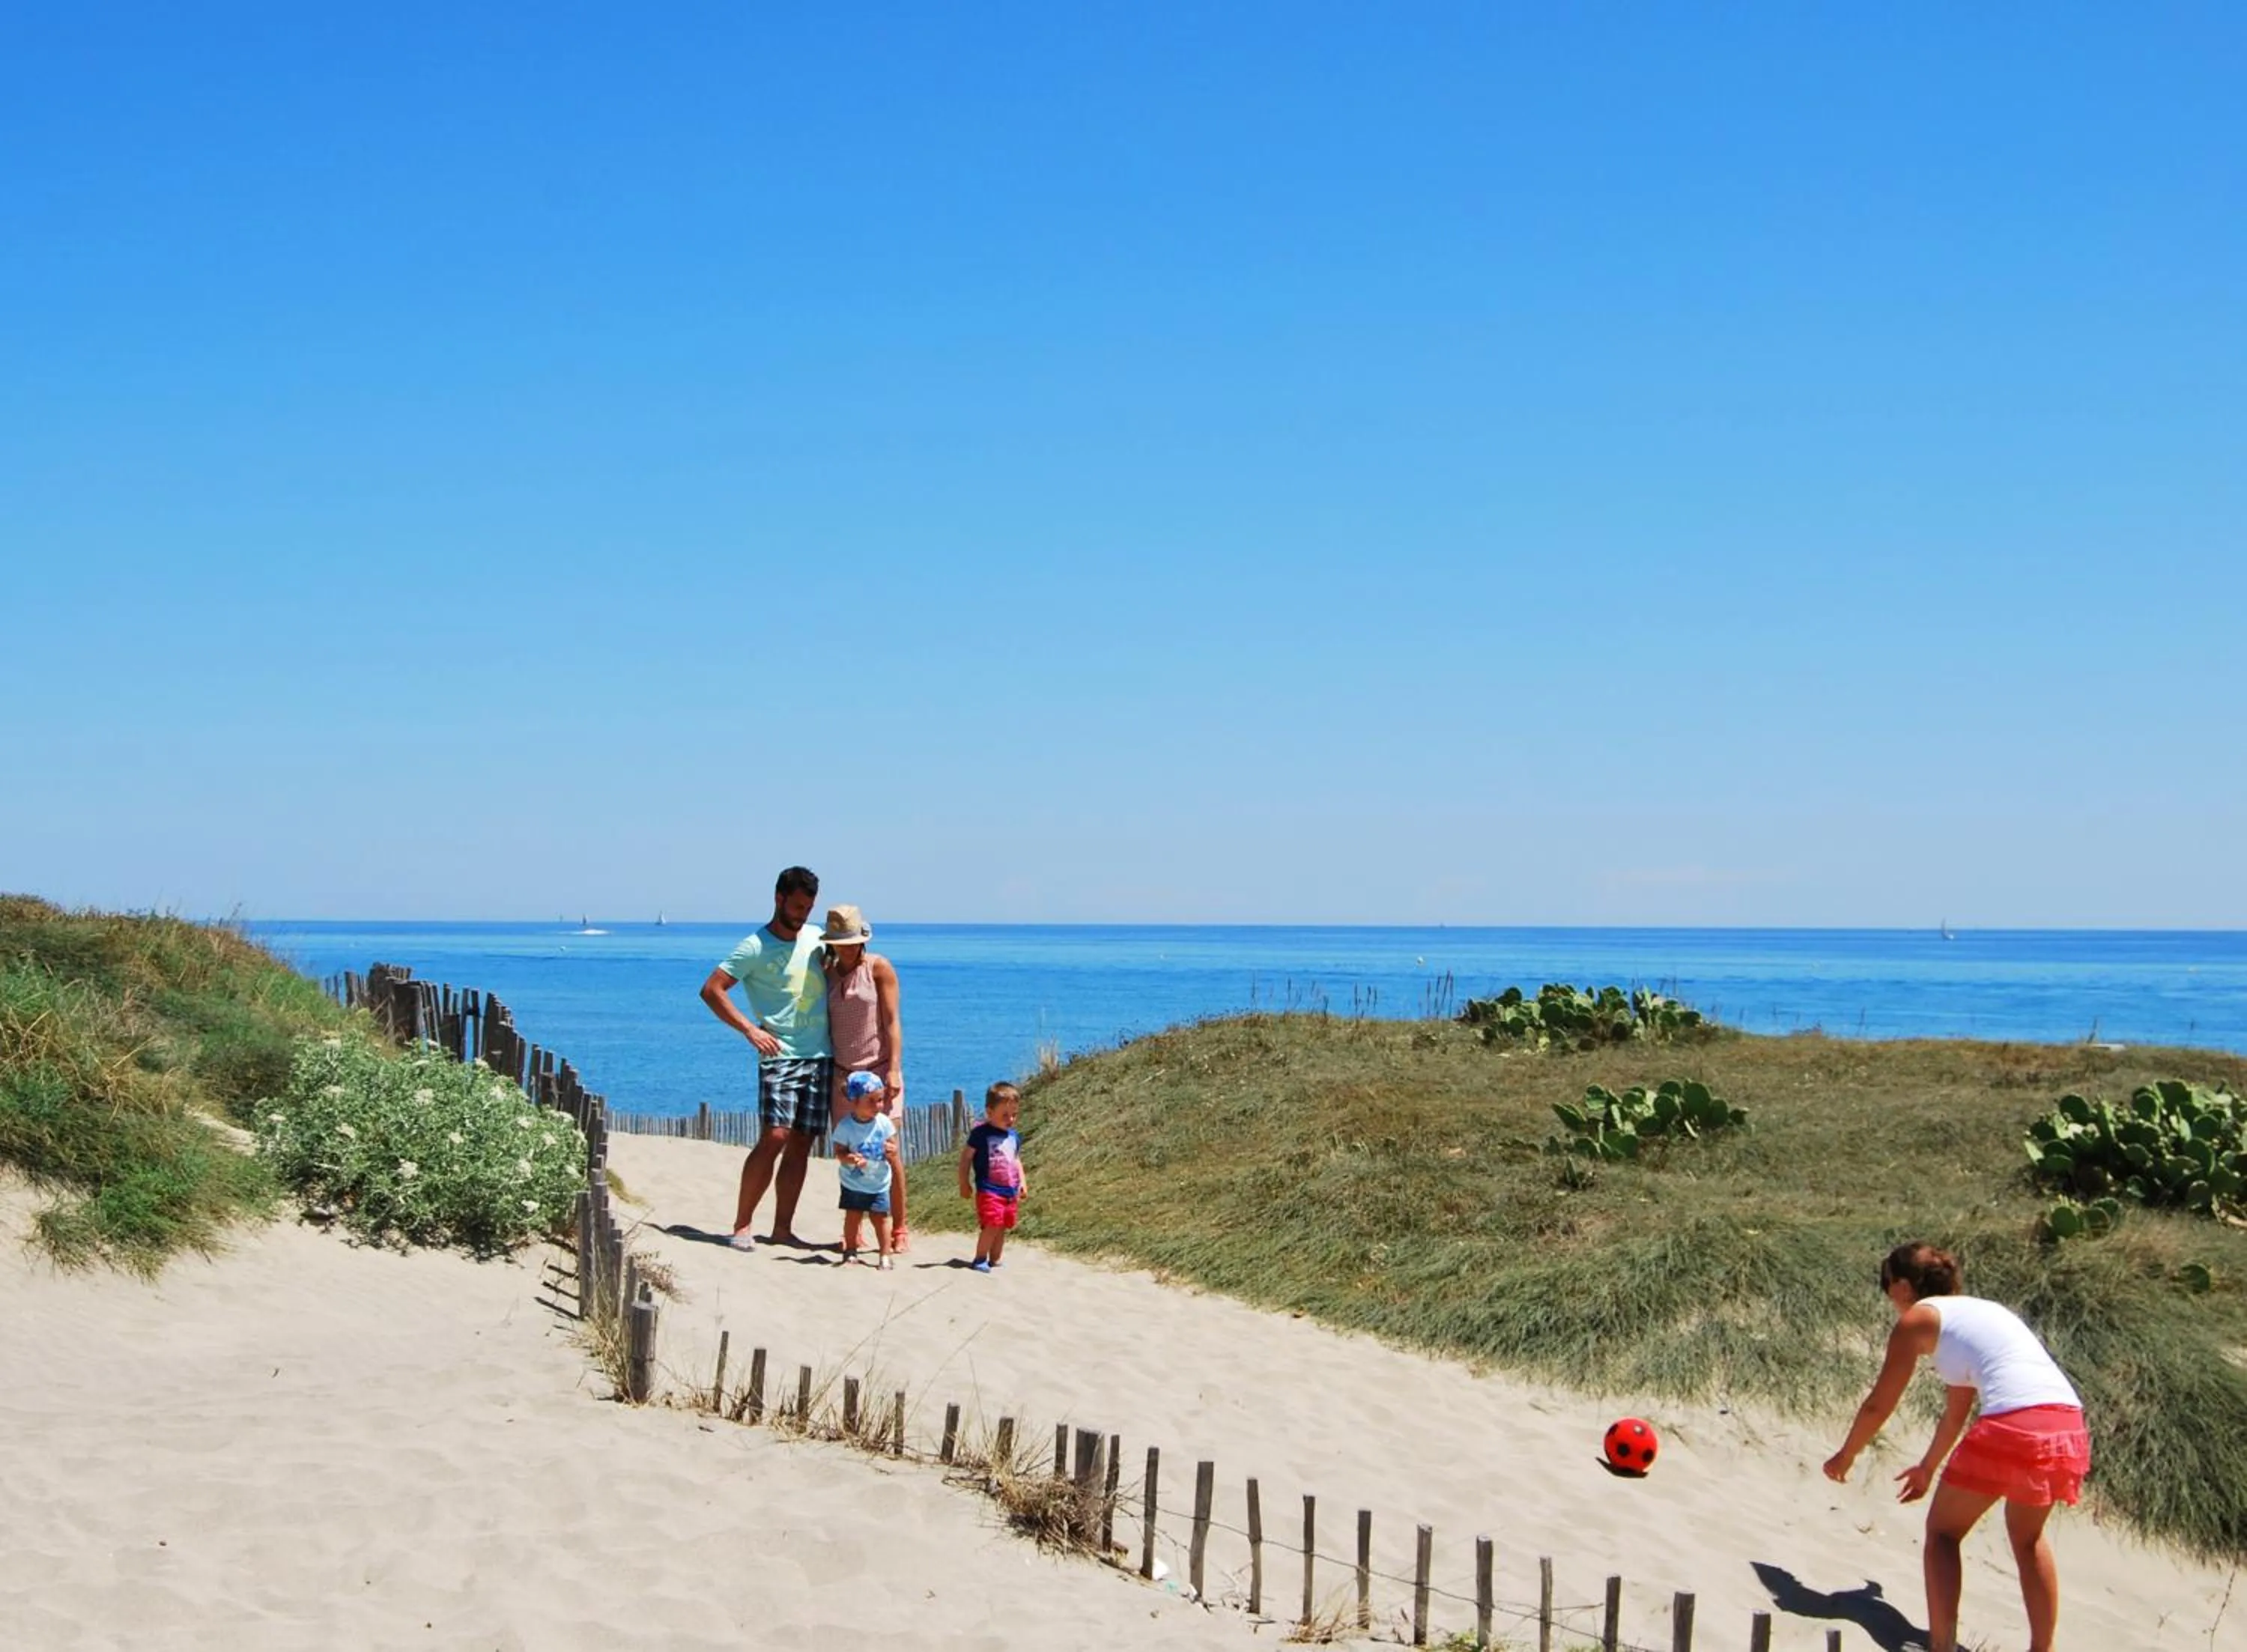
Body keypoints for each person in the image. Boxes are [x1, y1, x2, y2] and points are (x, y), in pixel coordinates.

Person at [1822, 1242, 2091, 1652]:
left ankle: (1941, 1647)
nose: (1887, 1294)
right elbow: (1956, 1413)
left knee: (1943, 1534)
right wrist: (1928, 1468)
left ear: (1905, 1286)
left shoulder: (1919, 1319)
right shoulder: (1981, 1313)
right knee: (2028, 1538)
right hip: (2065, 1423)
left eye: (1886, 1283)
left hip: (2012, 1422)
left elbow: (1880, 1403)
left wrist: (1846, 1454)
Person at [697, 866, 831, 1250]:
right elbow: (712, 990)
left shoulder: (817, 938)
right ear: (778, 899)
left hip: (821, 1054)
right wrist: (750, 1030)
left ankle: (783, 1229)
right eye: (797, 906)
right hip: (780, 1055)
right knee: (775, 1135)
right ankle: (741, 1226)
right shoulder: (754, 946)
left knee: (803, 1141)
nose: (803, 914)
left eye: (809, 907)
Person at [820, 904, 910, 1251]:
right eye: (839, 941)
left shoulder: (878, 968)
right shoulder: (826, 972)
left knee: (888, 1151)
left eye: (850, 941)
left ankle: (899, 1228)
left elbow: (892, 1021)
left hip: (878, 1072)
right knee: (850, 1152)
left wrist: (894, 1068)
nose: (845, 947)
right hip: (843, 1078)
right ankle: (853, 1229)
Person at [830, 1071, 897, 1269]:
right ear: (855, 1101)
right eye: (871, 1101)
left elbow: (893, 1145)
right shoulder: (845, 1126)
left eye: (880, 1100)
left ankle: (885, 1255)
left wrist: (890, 1149)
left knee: (881, 1219)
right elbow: (839, 1152)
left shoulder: (883, 1123)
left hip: (879, 1182)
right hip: (853, 1181)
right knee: (853, 1216)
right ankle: (850, 1251)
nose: (878, 1106)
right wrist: (850, 1158)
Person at [957, 1081, 1026, 1273]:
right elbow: (966, 1159)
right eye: (1005, 1115)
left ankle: (995, 1259)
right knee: (992, 1224)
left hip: (1010, 1189)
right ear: (989, 1111)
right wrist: (964, 1182)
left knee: (1003, 1225)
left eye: (1014, 1115)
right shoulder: (980, 1134)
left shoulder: (1013, 1136)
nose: (1010, 1119)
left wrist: (1023, 1183)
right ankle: (980, 1258)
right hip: (989, 1188)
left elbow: (1016, 1160)